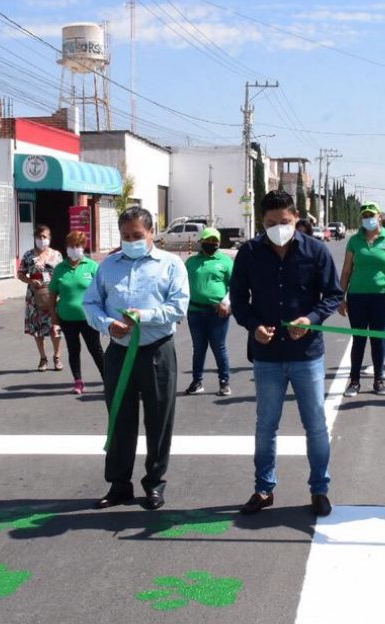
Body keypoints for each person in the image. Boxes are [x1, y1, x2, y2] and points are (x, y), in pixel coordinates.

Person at [230, 190, 343, 517]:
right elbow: (239, 301)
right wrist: (254, 326)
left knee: (316, 425)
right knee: (266, 425)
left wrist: (312, 319)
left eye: (284, 222)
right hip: (267, 356)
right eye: (270, 223)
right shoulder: (249, 253)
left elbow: (333, 295)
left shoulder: (316, 251)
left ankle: (319, 489)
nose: (278, 227)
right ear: (261, 222)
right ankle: (264, 488)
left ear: (296, 218)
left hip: (306, 353)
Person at [84, 207, 189, 511]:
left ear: (151, 232)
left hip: (157, 350)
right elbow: (90, 303)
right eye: (125, 236)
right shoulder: (109, 266)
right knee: (119, 419)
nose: (131, 241)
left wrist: (144, 316)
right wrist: (107, 325)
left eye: (137, 236)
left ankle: (154, 484)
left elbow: (178, 307)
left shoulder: (170, 265)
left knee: (159, 420)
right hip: (119, 351)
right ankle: (119, 485)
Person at [339, 202, 385, 396]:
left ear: (379, 216)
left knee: (378, 339)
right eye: (365, 215)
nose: (368, 218)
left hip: (382, 296)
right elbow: (346, 270)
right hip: (357, 295)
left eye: (371, 215)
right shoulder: (354, 241)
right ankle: (354, 382)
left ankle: (378, 381)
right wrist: (340, 298)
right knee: (358, 339)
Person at [50, 230, 105, 396]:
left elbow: (103, 291)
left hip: (88, 317)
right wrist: (54, 319)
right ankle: (78, 381)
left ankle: (107, 379)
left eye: (78, 246)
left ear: (83, 247)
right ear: (66, 247)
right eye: (71, 246)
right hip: (67, 318)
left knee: (95, 349)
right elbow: (52, 295)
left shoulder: (92, 266)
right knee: (73, 350)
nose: (74, 249)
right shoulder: (60, 268)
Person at [184, 227, 234, 396]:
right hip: (195, 311)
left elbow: (235, 286)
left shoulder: (225, 261)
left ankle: (224, 382)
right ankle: (197, 382)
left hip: (218, 312)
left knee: (219, 347)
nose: (211, 243)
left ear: (219, 243)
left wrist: (226, 303)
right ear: (201, 241)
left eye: (215, 241)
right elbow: (181, 285)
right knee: (198, 348)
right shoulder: (191, 262)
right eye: (208, 240)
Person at [19, 225, 64, 372]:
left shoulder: (57, 255)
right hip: (35, 297)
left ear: (49, 238)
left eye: (45, 237)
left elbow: (62, 275)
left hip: (53, 296)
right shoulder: (28, 255)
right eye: (39, 237)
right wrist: (31, 281)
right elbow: (20, 274)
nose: (42, 239)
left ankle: (57, 356)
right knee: (38, 329)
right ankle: (43, 358)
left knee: (55, 328)